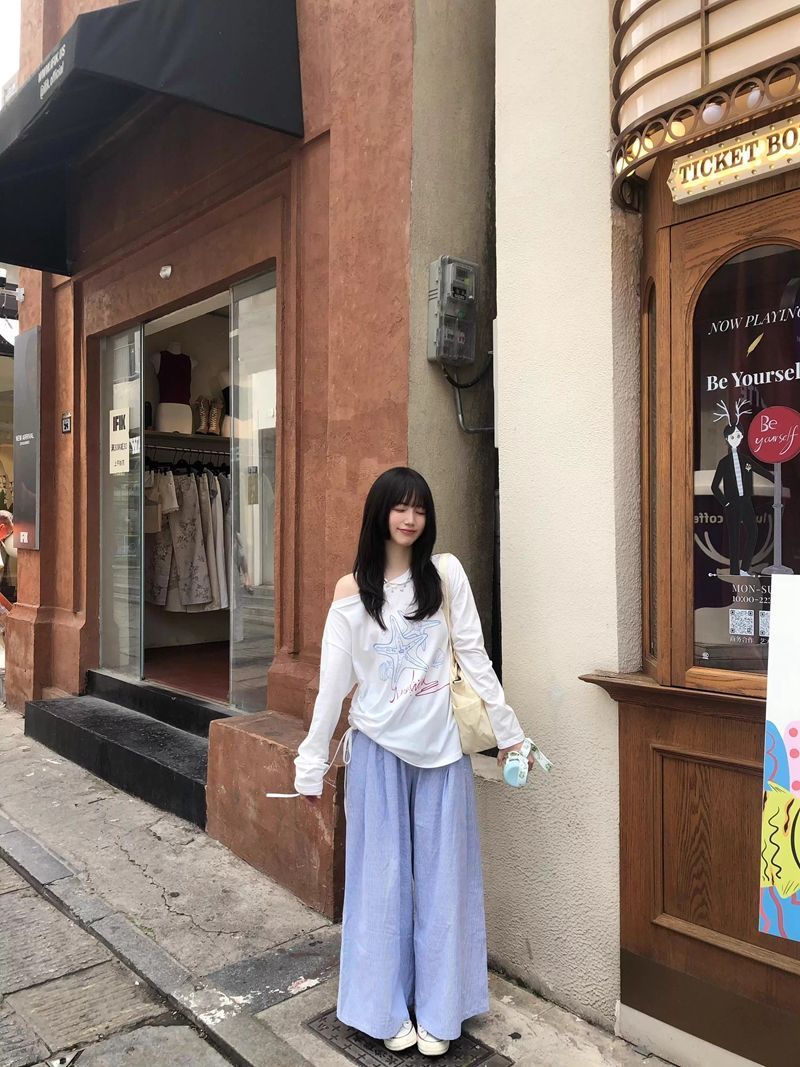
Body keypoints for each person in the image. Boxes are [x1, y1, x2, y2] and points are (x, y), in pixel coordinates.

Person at [293, 466, 532, 1056]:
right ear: (379, 513)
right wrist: (311, 763)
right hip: (377, 750)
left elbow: (474, 656)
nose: (409, 518)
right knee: (380, 884)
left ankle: (441, 1009)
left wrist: (509, 733)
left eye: (419, 508)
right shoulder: (350, 593)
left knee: (446, 883)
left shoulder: (445, 575)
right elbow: (332, 686)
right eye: (399, 507)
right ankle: (382, 1008)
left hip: (442, 750)